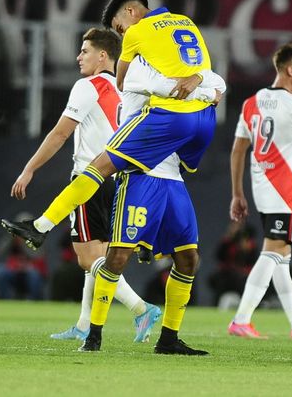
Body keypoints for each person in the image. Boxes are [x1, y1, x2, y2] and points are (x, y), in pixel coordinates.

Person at [1, 0, 216, 251]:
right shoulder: (183, 24)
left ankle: (40, 227)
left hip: (135, 148)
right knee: (168, 194)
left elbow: (61, 132)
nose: (122, 34)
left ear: (130, 12)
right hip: (192, 128)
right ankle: (149, 241)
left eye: (120, 27)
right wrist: (206, 87)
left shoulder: (118, 66)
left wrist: (29, 169)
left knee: (93, 246)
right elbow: (209, 77)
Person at [9, 27, 161, 342]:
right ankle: (84, 324)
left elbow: (60, 134)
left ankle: (141, 308)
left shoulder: (88, 86)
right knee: (99, 257)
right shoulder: (127, 89)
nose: (79, 57)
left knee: (88, 259)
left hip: (89, 180)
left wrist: (29, 168)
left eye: (85, 51)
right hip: (119, 180)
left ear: (103, 56)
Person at [77, 54, 226, 355]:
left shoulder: (175, 68)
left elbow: (219, 83)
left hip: (172, 176)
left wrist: (199, 81)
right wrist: (201, 89)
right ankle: (93, 335)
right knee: (118, 256)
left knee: (189, 258)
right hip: (140, 174)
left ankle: (169, 339)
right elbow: (183, 90)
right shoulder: (136, 69)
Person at [228, 42, 292, 340]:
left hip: (262, 189)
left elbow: (238, 149)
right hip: (285, 191)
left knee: (282, 256)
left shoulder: (252, 102)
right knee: (273, 251)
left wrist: (237, 193)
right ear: (290, 70)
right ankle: (241, 319)